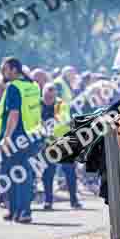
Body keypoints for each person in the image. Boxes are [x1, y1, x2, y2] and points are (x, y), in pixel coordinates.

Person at [0, 57, 42, 224]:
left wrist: (6, 138)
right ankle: (17, 211)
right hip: (32, 135)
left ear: (14, 69)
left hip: (16, 137)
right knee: (24, 174)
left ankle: (20, 211)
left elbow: (14, 113)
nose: (2, 73)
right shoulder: (33, 86)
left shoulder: (14, 87)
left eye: (4, 69)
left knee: (12, 174)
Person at [40, 82, 80, 210]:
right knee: (48, 173)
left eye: (51, 97)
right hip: (47, 142)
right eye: (46, 97)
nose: (48, 100)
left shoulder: (61, 105)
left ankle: (74, 200)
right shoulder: (38, 105)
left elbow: (62, 120)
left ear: (55, 95)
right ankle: (48, 200)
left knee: (69, 171)